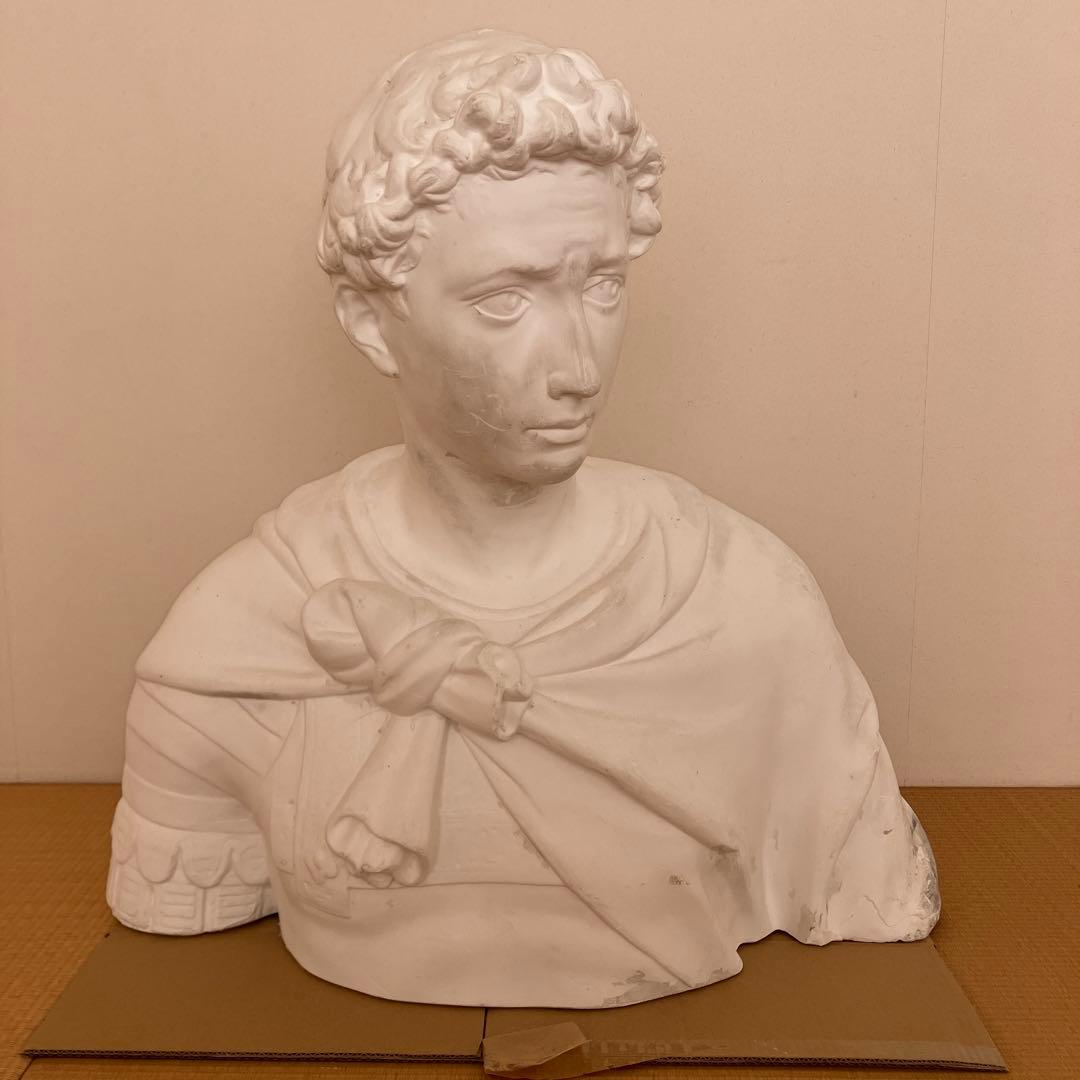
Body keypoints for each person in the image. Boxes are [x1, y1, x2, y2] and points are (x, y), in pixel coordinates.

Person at [107, 28, 939, 1008]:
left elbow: (869, 886)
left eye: (603, 286)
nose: (580, 367)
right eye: (506, 300)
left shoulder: (746, 605)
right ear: (374, 321)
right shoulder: (241, 637)